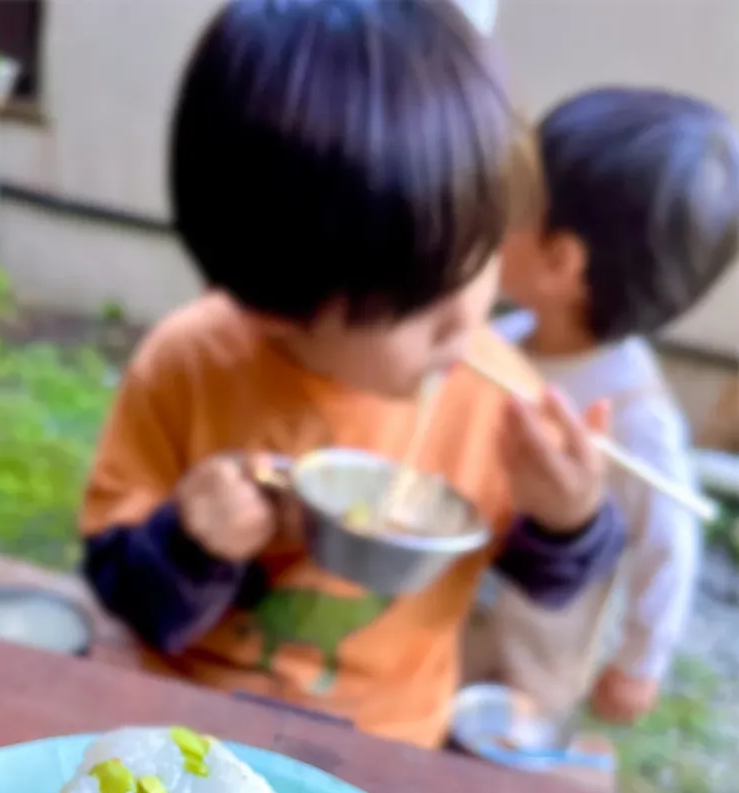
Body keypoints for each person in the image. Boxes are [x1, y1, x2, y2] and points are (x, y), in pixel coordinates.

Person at [80, 0, 624, 750]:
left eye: (480, 260)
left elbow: (549, 581)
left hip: (390, 743)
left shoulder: (500, 399)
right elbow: (128, 596)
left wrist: (571, 519)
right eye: (418, 304)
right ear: (272, 307)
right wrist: (191, 545)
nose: (467, 320)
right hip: (188, 732)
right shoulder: (190, 366)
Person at [494, 87, 739, 722]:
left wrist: (639, 664)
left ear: (560, 260)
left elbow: (670, 546)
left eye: (512, 200)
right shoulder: (504, 340)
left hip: (535, 656)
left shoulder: (635, 416)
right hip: (456, 607)